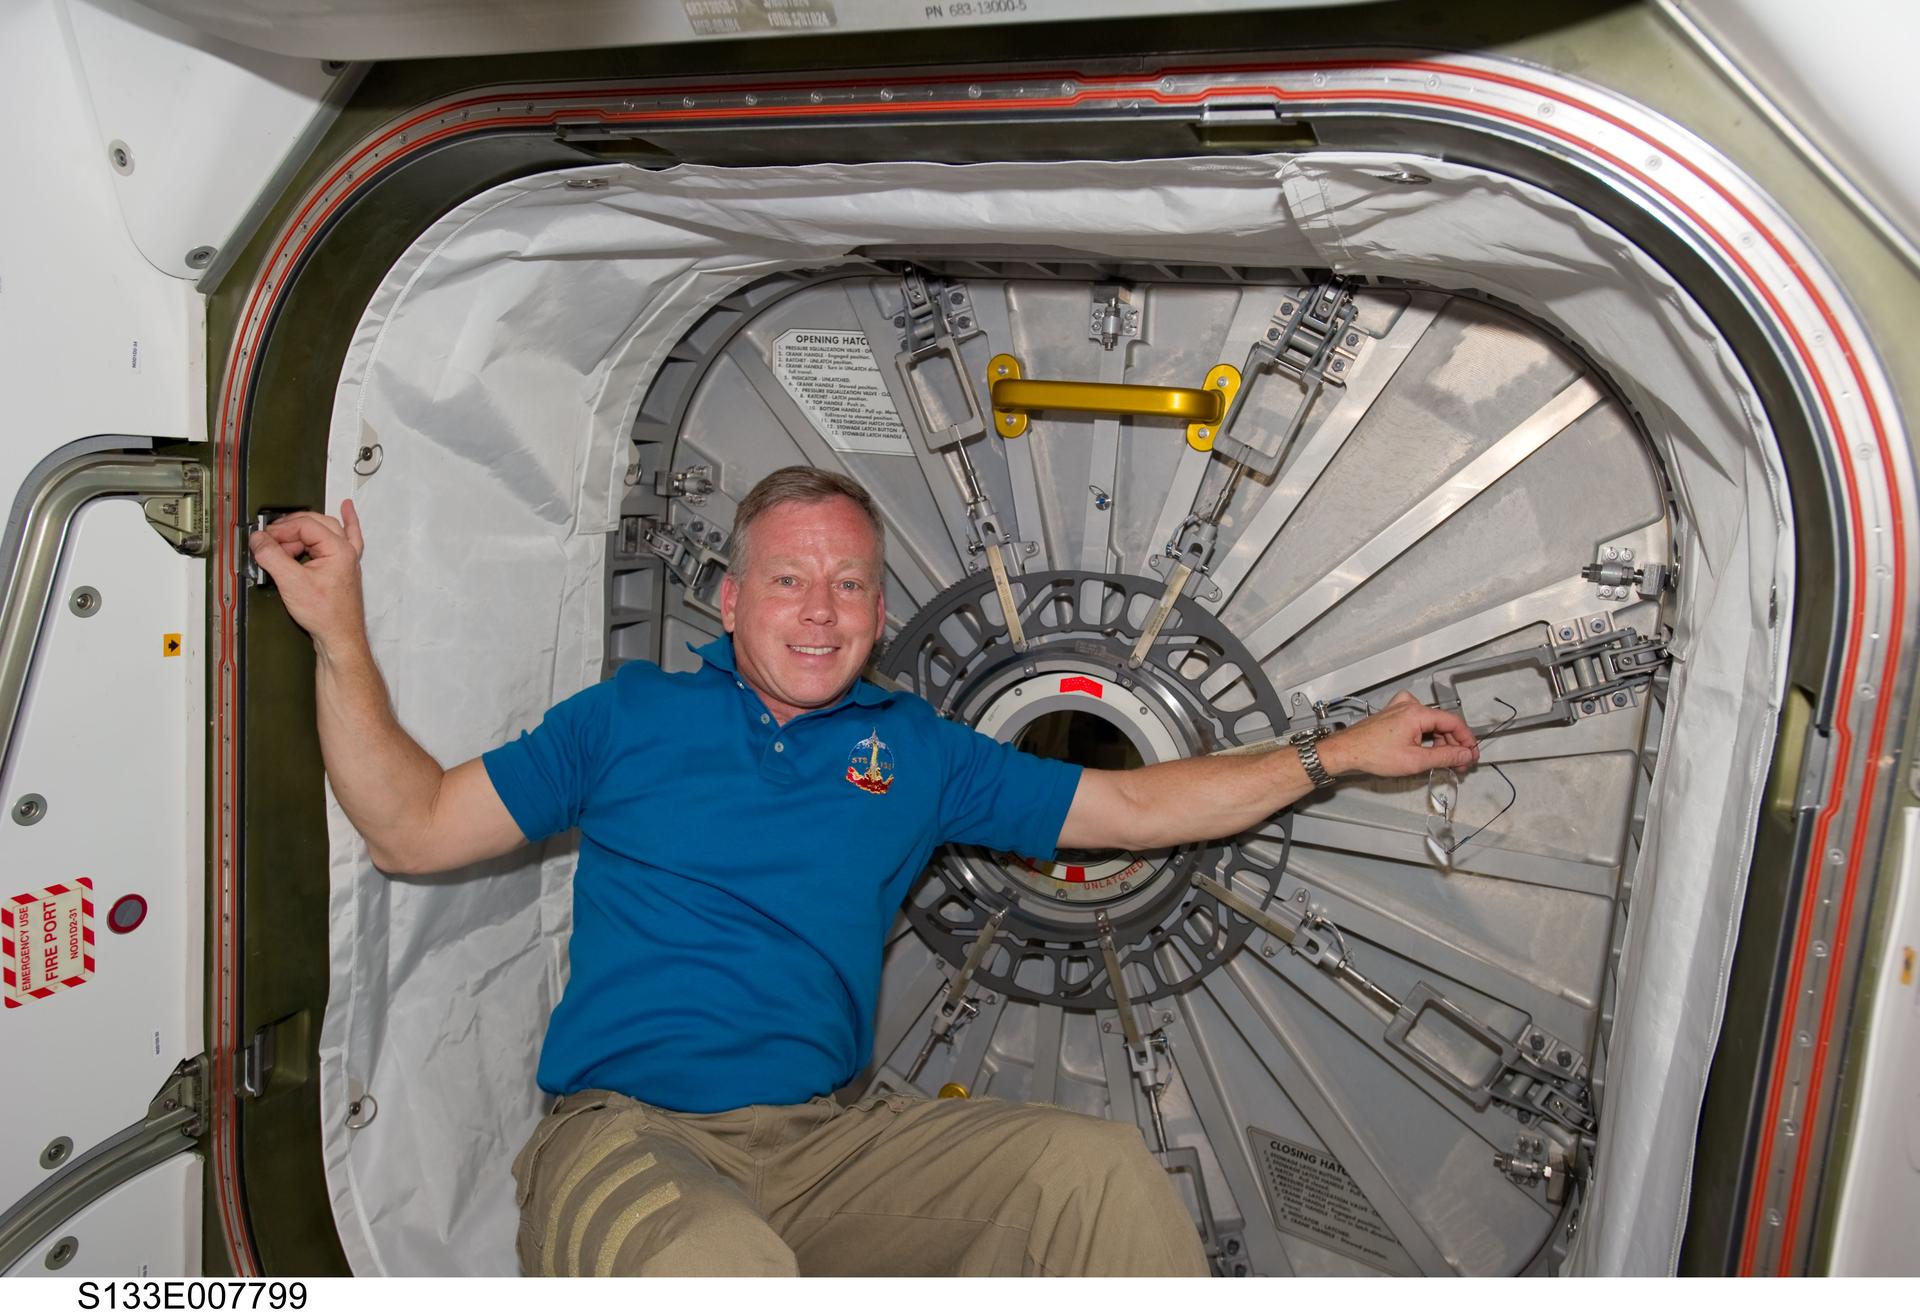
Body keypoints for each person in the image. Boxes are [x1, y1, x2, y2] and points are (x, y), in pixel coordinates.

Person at [249, 466, 1477, 1278]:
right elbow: (413, 828)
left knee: (1099, 1175)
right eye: (789, 579)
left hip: (827, 1145)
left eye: (847, 584)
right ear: (731, 599)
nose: (819, 610)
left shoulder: (919, 753)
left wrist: (1336, 754)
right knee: (721, 1271)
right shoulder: (627, 721)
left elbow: (1133, 807)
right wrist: (338, 631)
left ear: (880, 613)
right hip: (631, 1137)